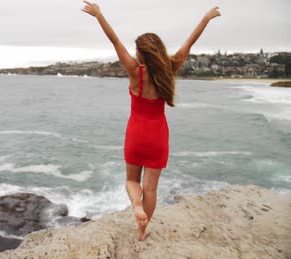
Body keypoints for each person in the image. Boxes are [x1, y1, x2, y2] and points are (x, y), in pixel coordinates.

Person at [82, 1, 221, 241]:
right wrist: (206, 18)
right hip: (158, 137)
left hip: (135, 134)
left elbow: (114, 41)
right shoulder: (170, 69)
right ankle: (142, 230)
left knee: (131, 180)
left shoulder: (136, 72)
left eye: (136, 50)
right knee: (151, 189)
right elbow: (190, 41)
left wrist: (99, 15)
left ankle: (136, 204)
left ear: (141, 53)